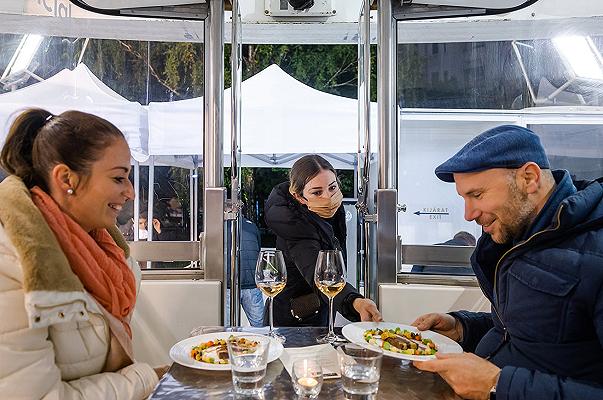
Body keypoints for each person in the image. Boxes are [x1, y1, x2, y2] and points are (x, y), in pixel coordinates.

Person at [411, 125, 603, 400]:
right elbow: (527, 333)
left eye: (477, 195)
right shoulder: (521, 236)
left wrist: (497, 384)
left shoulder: (594, 250)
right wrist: (463, 328)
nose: (468, 215)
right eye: (464, 199)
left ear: (529, 178)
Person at [0, 109, 161, 399]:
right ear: (66, 179)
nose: (131, 193)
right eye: (118, 178)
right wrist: (147, 377)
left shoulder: (101, 250)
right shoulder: (11, 260)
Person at [264, 154, 382, 326]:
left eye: (332, 188)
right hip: (295, 323)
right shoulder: (296, 226)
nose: (327, 197)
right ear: (299, 197)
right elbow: (321, 276)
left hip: (319, 310)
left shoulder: (329, 214)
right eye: (317, 192)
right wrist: (355, 301)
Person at [224, 209, 267, 327]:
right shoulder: (252, 226)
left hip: (229, 284)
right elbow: (258, 249)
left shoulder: (221, 227)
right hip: (252, 284)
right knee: (260, 326)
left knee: (227, 327)